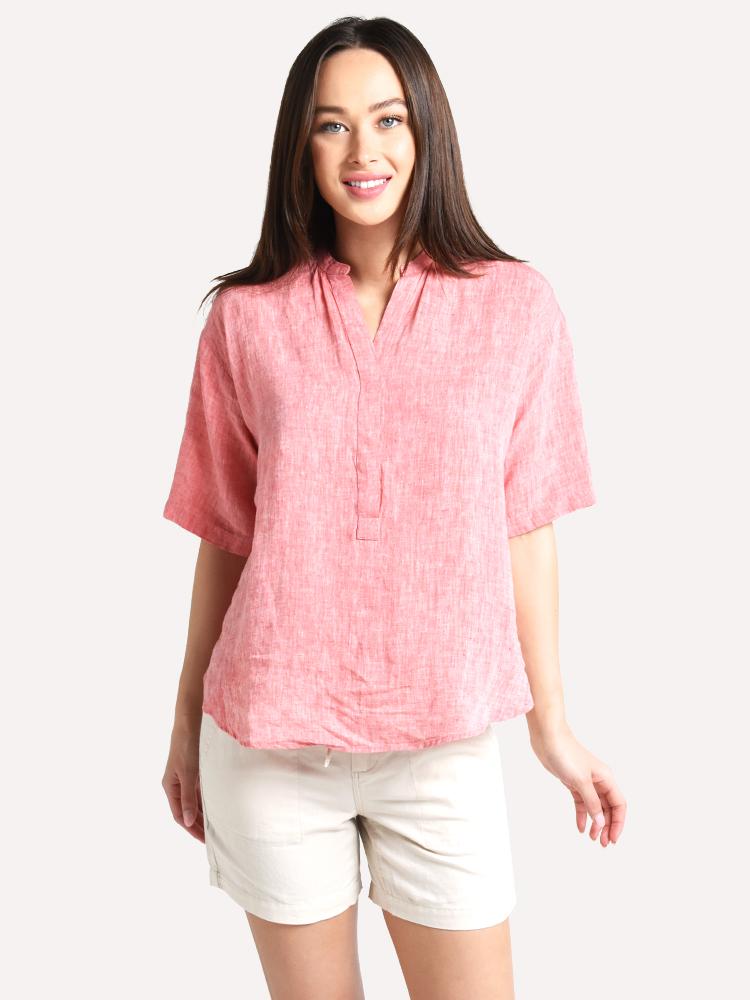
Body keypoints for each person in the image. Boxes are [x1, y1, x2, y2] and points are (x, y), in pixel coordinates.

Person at [160, 15, 627, 1000]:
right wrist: (183, 723)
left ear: (426, 132)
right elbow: (227, 536)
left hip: (443, 743)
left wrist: (553, 726)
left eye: (387, 119)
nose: (361, 151)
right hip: (269, 745)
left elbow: (527, 525)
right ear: (300, 147)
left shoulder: (517, 307)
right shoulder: (245, 320)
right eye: (330, 125)